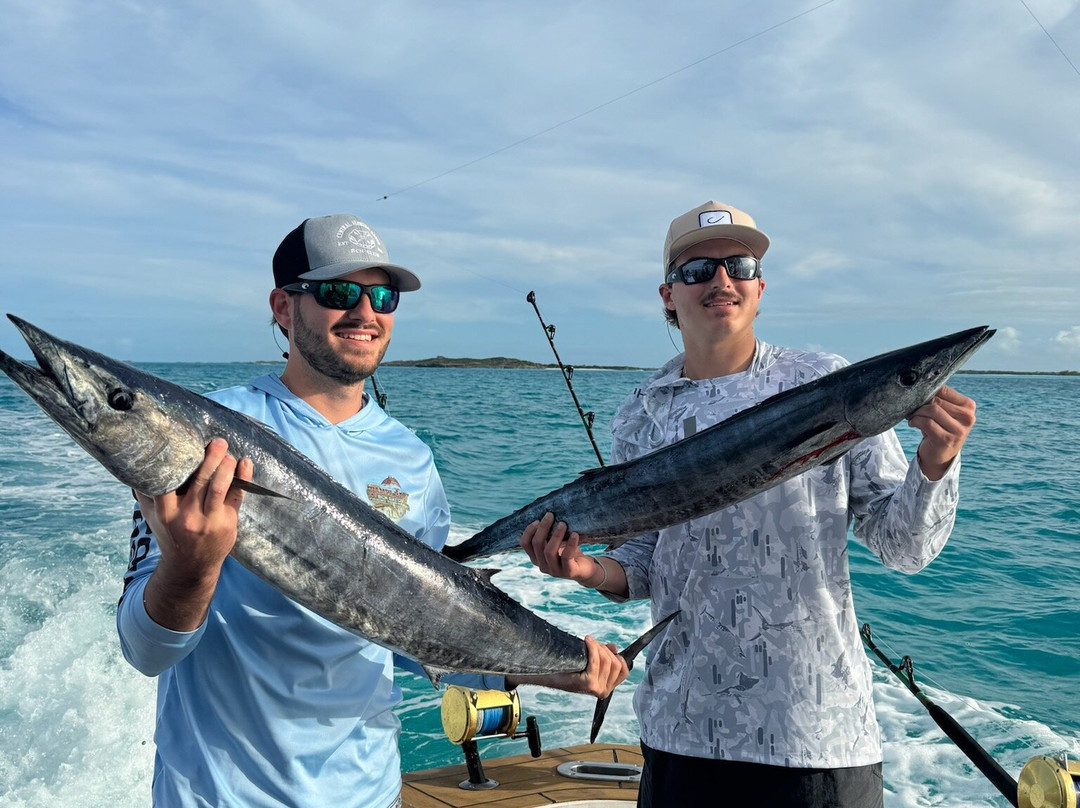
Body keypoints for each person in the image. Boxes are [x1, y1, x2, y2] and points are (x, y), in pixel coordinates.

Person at [117, 213, 629, 808]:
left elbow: (419, 635)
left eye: (383, 297)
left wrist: (551, 668)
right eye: (338, 292)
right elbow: (145, 651)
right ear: (283, 308)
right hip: (219, 795)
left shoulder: (411, 458)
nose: (365, 312)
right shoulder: (202, 440)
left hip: (370, 793)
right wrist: (191, 565)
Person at [521, 201, 978, 808]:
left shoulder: (825, 379)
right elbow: (645, 563)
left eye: (738, 266)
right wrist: (583, 568)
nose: (721, 280)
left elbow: (905, 548)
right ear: (668, 294)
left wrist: (936, 463)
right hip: (682, 728)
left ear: (760, 287)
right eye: (697, 270)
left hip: (815, 733)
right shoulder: (642, 410)